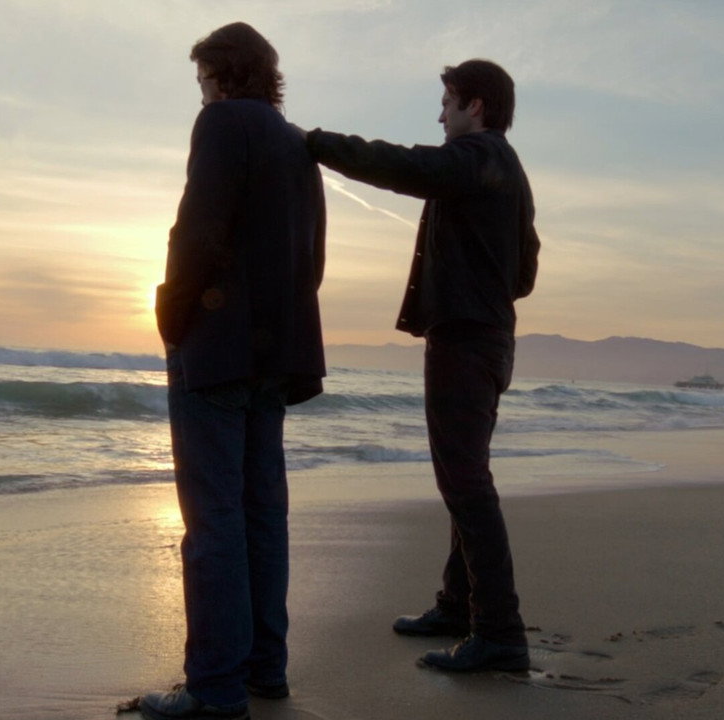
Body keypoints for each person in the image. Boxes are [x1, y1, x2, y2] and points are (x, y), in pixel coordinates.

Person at [300, 59, 540, 672]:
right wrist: (485, 285)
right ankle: (458, 606)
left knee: (465, 484)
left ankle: (500, 632)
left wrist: (317, 144)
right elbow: (526, 271)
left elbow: (406, 167)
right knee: (467, 477)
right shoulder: (507, 169)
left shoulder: (476, 156)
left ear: (475, 105)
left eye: (447, 102)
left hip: (466, 341)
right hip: (491, 339)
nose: (440, 115)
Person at [140, 22, 326, 720]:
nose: (201, 93)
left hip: (218, 346)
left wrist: (172, 315)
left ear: (222, 75)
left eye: (202, 79)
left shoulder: (221, 124)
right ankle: (264, 670)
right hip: (278, 352)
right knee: (262, 514)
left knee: (214, 518)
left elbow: (197, 231)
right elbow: (312, 256)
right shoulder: (296, 142)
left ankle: (215, 688)